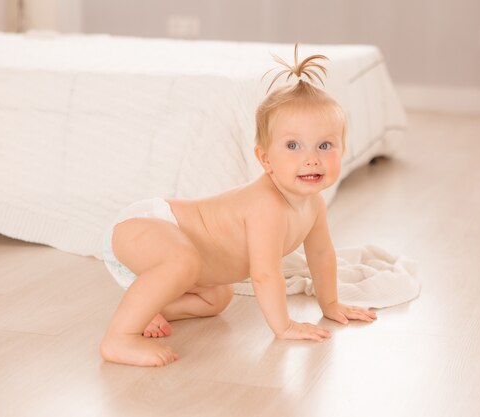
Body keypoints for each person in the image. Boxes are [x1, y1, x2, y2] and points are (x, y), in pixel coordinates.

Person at [100, 44, 377, 367]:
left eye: (325, 145)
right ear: (265, 158)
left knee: (216, 298)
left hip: (177, 250)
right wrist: (283, 325)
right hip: (148, 224)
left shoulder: (313, 204)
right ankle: (120, 337)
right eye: (292, 146)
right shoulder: (268, 206)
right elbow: (264, 273)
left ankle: (146, 306)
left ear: (342, 150)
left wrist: (330, 303)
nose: (311, 159)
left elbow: (320, 254)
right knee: (183, 261)